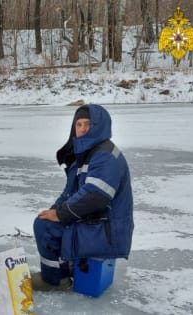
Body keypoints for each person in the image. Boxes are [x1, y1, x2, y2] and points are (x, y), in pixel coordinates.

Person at [31, 104, 134, 291]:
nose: (83, 129)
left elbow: (96, 195)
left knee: (46, 227)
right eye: (79, 124)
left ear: (100, 126)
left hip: (107, 231)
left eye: (88, 124)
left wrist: (61, 215)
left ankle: (55, 281)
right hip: (98, 223)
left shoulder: (104, 156)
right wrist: (55, 209)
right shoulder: (89, 154)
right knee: (47, 219)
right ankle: (67, 267)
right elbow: (70, 192)